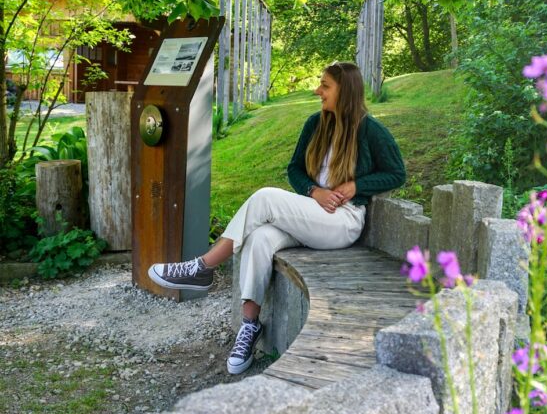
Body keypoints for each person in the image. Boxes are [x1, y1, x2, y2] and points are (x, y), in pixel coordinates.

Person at [148, 61, 406, 375]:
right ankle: (249, 326)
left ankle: (202, 267)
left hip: (343, 221)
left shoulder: (370, 130)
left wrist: (355, 185)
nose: (317, 91)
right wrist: (313, 191)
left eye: (325, 85)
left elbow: (396, 173)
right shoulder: (316, 124)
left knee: (265, 198)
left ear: (345, 90)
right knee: (259, 238)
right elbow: (295, 170)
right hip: (312, 214)